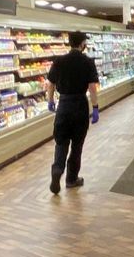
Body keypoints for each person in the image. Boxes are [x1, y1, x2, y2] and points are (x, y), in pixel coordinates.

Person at [42, 31, 99, 194]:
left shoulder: (59, 61)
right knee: (77, 144)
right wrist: (95, 107)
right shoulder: (87, 62)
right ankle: (71, 178)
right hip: (80, 105)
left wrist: (51, 100)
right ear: (82, 44)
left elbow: (50, 83)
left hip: (64, 105)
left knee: (61, 141)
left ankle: (57, 169)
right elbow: (92, 87)